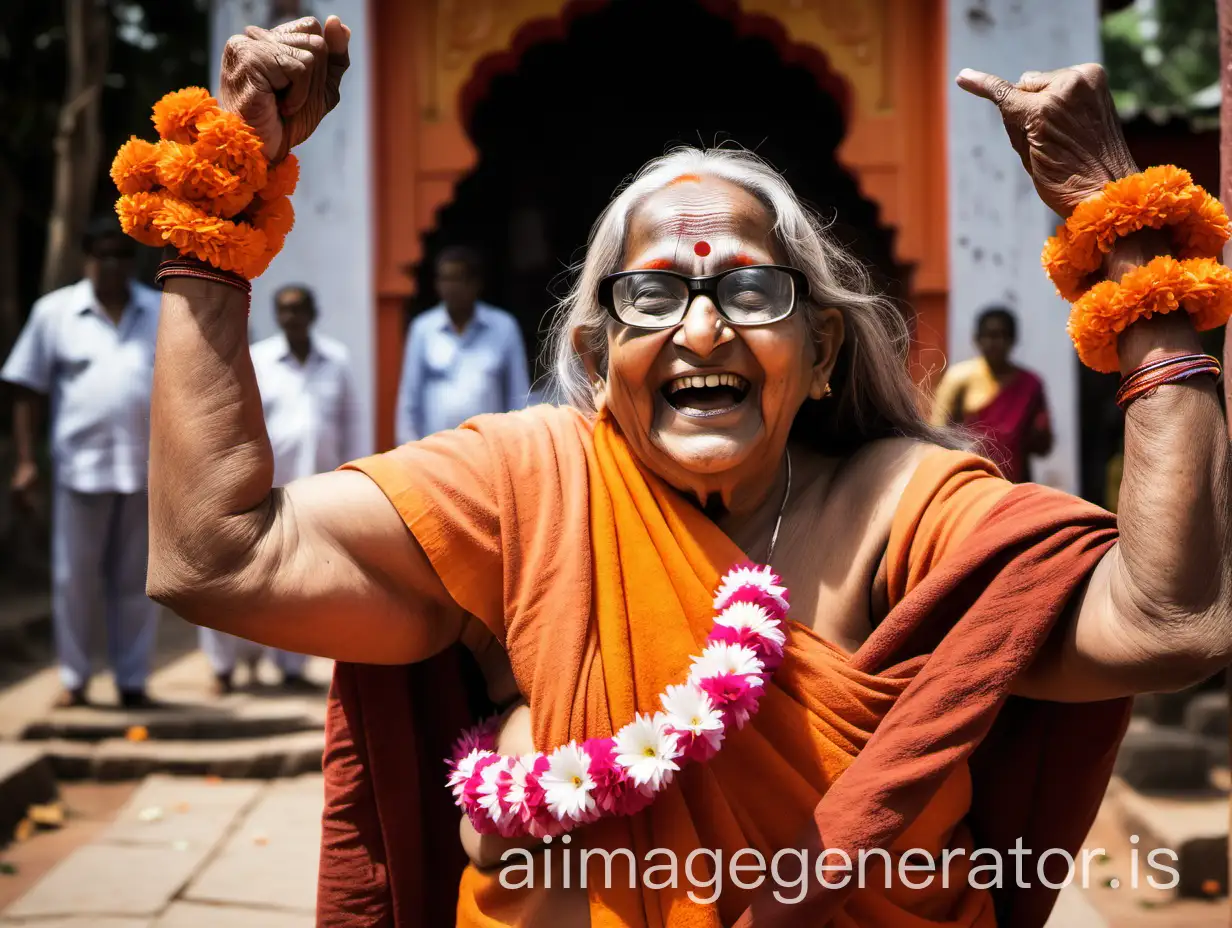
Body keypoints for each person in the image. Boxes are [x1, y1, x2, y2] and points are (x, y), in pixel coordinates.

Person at [142, 17, 1232, 927]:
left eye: (750, 294)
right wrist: (215, 229)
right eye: (651, 297)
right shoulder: (525, 483)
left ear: (821, 358)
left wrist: (1124, 239)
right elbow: (215, 557)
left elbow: (1164, 624)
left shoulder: (906, 504)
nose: (701, 328)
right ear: (592, 358)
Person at [2, 217, 161, 709]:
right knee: (75, 580)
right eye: (102, 255)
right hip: (80, 470)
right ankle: (74, 679)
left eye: (121, 255)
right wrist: (26, 462)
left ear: (132, 261)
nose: (112, 265)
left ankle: (132, 682)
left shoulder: (159, 311)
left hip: (144, 469)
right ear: (86, 260)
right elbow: (27, 387)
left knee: (138, 581)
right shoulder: (56, 313)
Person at [197, 284, 362, 694]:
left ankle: (291, 667)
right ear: (276, 315)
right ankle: (224, 668)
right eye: (284, 310)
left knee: (302, 578)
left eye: (299, 309)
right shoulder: (260, 360)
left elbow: (352, 424)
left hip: (318, 489)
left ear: (313, 313)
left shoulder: (336, 360)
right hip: (263, 486)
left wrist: (354, 476)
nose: (292, 317)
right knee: (240, 574)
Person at [394, 246, 531, 444]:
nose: (451, 287)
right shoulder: (423, 329)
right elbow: (409, 399)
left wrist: (517, 446)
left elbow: (518, 395)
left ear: (475, 284)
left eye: (458, 279)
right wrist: (406, 451)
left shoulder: (503, 327)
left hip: (488, 451)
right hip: (434, 452)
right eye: (445, 279)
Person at [930, 307, 1053, 482]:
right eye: (990, 336)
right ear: (977, 339)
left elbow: (1043, 445)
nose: (997, 343)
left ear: (1013, 340)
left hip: (1014, 482)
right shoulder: (959, 378)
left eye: (1004, 336)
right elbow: (938, 432)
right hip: (970, 478)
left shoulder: (1030, 383)